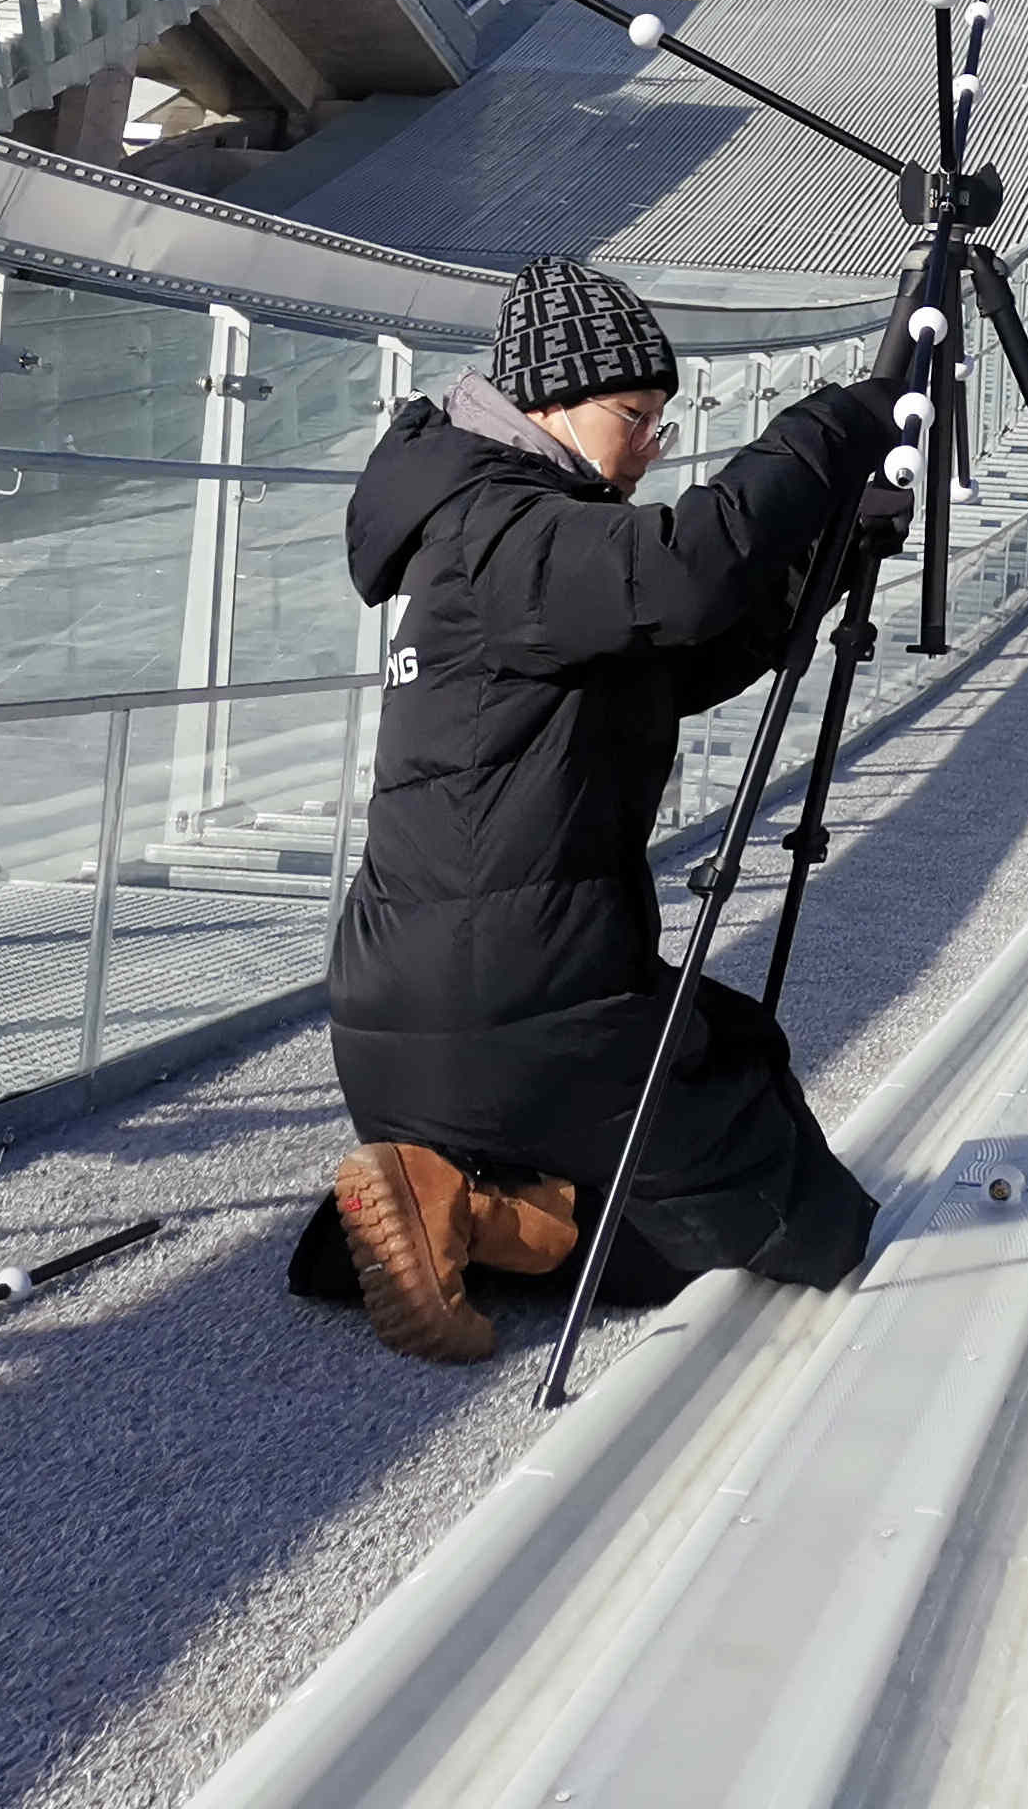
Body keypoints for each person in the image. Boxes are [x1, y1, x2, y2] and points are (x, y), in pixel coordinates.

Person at [296, 254, 896, 1363]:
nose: (653, 444)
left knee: (731, 1052)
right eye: (637, 413)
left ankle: (457, 1198)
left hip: (425, 1014)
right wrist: (836, 425)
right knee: (805, 1229)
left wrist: (826, 542)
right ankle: (465, 1209)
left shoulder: (488, 534)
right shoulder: (500, 530)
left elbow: (678, 653)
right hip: (520, 1009)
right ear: (549, 402)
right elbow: (678, 571)